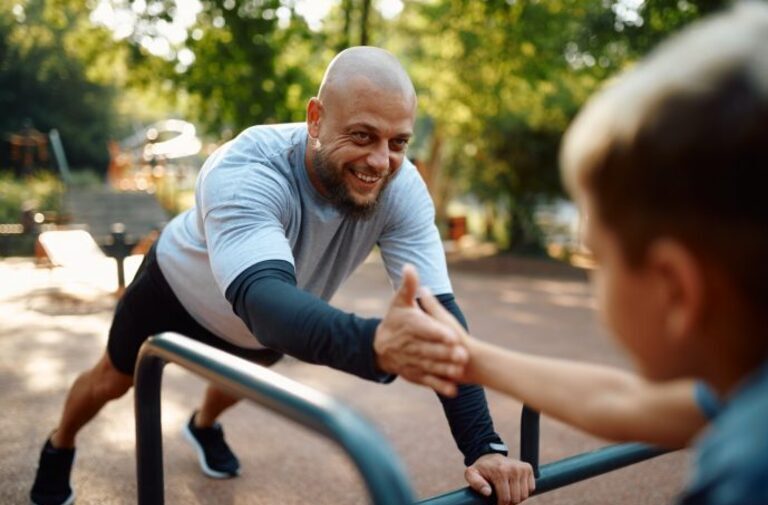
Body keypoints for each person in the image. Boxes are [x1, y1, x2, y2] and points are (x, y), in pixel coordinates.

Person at [29, 47, 534, 505]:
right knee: (112, 380)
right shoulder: (248, 167)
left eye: (397, 141)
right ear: (316, 118)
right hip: (182, 288)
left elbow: (438, 314)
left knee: (241, 379)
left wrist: (483, 445)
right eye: (362, 135)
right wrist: (373, 343)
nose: (380, 160)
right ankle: (60, 444)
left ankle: (203, 426)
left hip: (278, 314)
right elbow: (264, 300)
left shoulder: (399, 184)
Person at [416, 3, 768, 504]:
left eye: (597, 260)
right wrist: (468, 358)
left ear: (675, 289)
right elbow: (625, 400)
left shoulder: (766, 469)